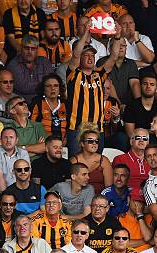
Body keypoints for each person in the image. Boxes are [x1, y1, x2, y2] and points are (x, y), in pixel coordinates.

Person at [65, 22, 121, 155]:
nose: (90, 58)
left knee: (96, 164)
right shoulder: (74, 74)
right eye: (86, 55)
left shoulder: (100, 75)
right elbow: (76, 55)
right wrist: (86, 33)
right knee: (77, 164)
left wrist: (117, 37)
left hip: (97, 129)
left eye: (92, 55)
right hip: (77, 129)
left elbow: (113, 58)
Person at [7, 35, 54, 105]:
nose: (29, 52)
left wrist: (46, 86)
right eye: (26, 48)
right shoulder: (13, 64)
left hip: (44, 103)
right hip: (21, 104)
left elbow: (51, 84)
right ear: (21, 48)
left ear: (37, 50)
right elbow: (23, 87)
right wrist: (43, 85)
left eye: (33, 49)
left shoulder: (45, 62)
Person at [69, 128, 113, 195]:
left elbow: (109, 188)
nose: (94, 144)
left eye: (97, 141)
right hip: (79, 199)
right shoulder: (74, 161)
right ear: (82, 144)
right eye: (90, 141)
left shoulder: (104, 161)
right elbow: (70, 186)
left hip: (100, 199)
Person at [0, 127, 29, 192]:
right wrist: (6, 196)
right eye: (5, 137)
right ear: (1, 140)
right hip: (1, 193)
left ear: (17, 140)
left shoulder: (23, 153)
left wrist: (23, 194)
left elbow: (27, 175)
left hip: (20, 192)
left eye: (11, 137)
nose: (8, 140)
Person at [29, 74, 67, 140]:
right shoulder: (37, 103)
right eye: (48, 86)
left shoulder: (66, 104)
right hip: (42, 142)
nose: (52, 88)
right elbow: (31, 125)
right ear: (43, 89)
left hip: (63, 143)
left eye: (56, 86)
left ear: (60, 88)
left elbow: (70, 127)